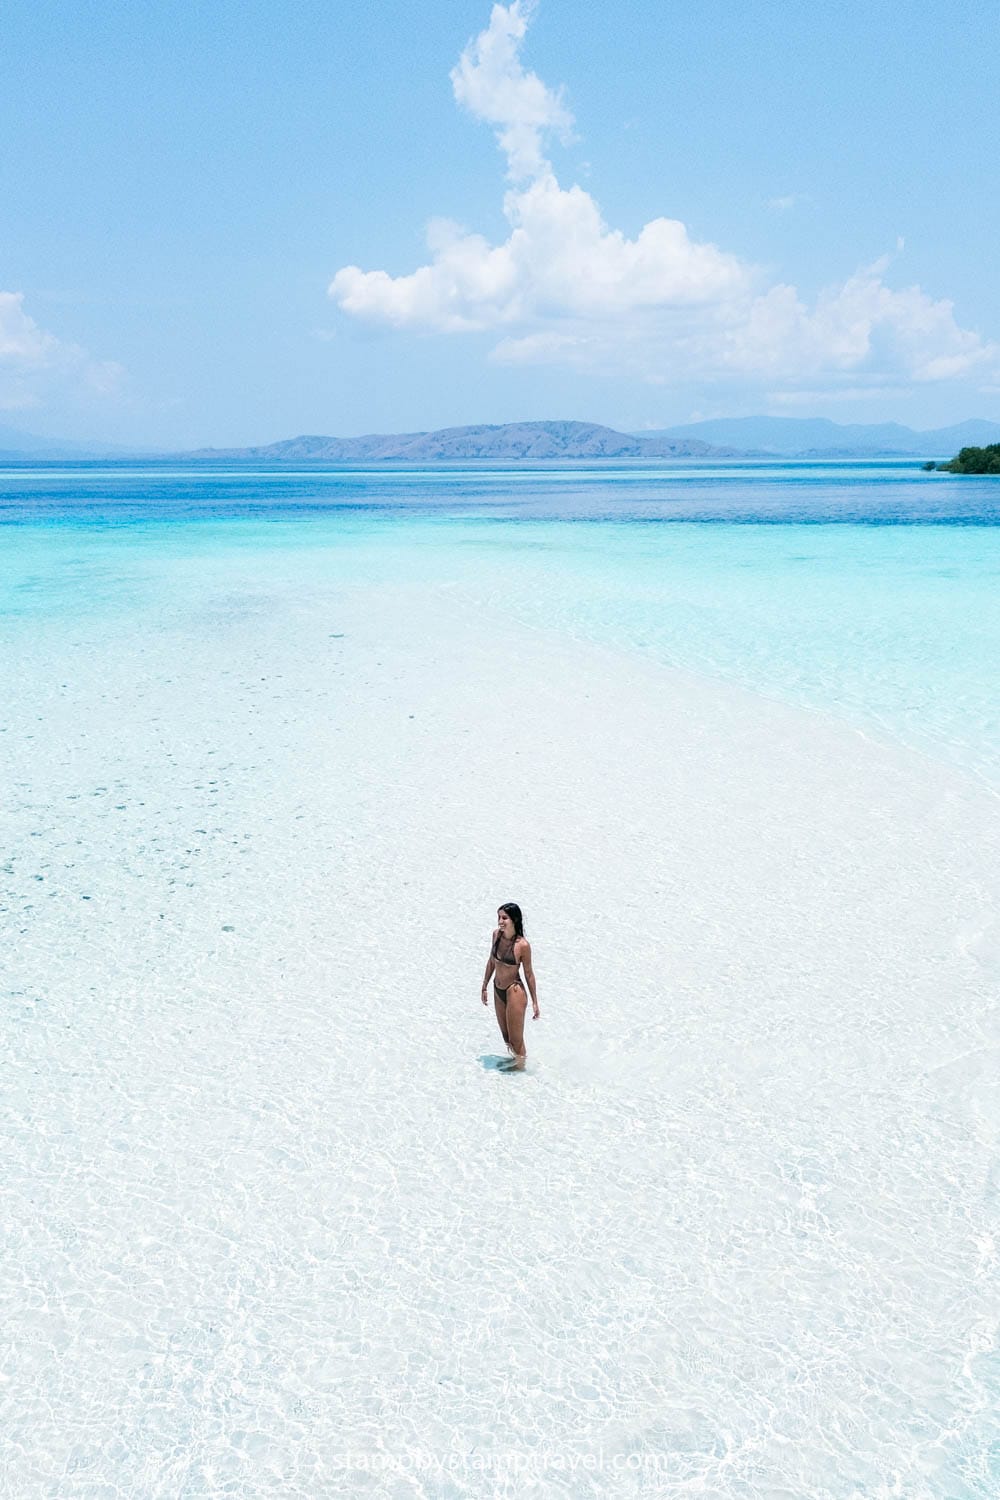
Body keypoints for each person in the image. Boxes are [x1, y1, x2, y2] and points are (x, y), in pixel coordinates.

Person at [481, 902, 539, 1068]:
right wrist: (484, 985)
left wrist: (535, 1001)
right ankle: (515, 1064)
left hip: (514, 991)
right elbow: (492, 961)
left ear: (514, 920)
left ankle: (520, 1069)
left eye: (504, 918)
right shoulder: (496, 936)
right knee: (506, 1038)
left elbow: (529, 974)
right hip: (497, 989)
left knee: (516, 1040)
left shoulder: (523, 946)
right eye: (499, 917)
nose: (500, 921)